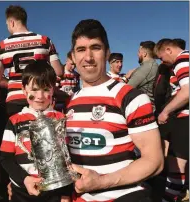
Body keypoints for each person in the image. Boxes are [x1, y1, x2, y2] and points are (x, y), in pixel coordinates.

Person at [65, 19, 163, 202]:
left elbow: (154, 161)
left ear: (107, 53)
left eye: (95, 47)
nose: (88, 57)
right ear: (73, 56)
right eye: (81, 49)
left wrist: (101, 182)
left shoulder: (131, 98)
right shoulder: (71, 101)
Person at [0, 60, 72, 202]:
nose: (40, 96)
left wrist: (65, 193)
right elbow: (5, 158)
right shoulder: (14, 121)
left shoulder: (61, 119)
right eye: (34, 89)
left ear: (53, 89)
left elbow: (67, 157)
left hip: (54, 191)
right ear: (24, 90)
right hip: (21, 191)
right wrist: (24, 179)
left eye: (46, 89)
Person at [0, 5, 64, 118]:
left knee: (17, 133)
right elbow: (58, 71)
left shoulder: (1, 46)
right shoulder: (44, 40)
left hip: (14, 99)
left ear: (11, 22)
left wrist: (11, 83)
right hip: (41, 98)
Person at [154, 38, 189, 202]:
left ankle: (169, 198)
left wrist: (165, 112)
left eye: (161, 57)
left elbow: (187, 91)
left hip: (185, 119)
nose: (163, 62)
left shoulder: (182, 60)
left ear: (168, 50)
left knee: (176, 164)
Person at [125, 41, 159, 110]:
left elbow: (127, 89)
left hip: (145, 110)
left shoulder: (146, 68)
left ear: (144, 54)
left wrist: (125, 78)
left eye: (139, 52)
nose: (137, 54)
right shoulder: (151, 65)